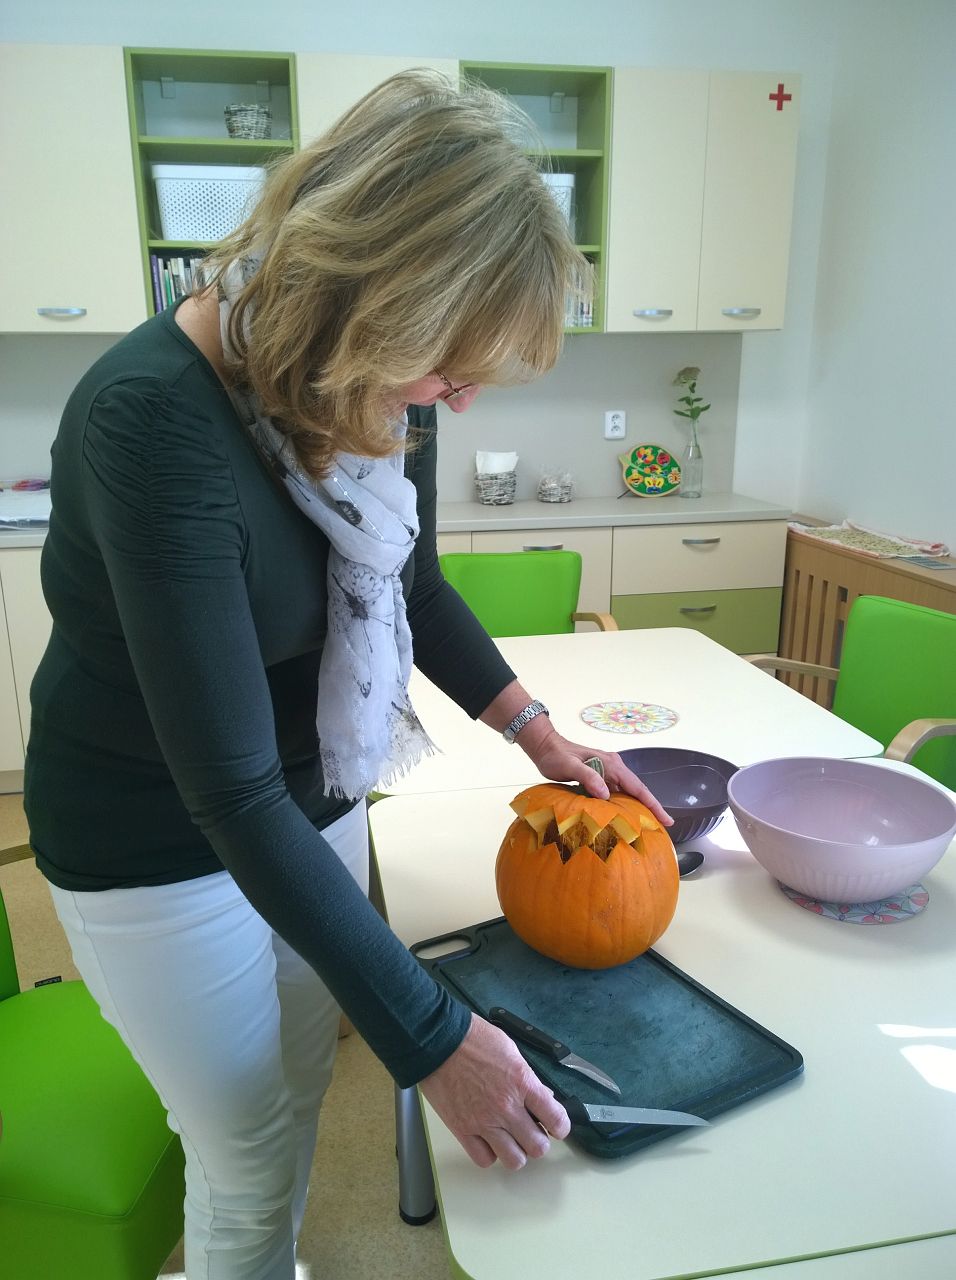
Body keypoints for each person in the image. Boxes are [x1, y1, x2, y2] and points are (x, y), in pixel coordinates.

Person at [25, 70, 671, 1277]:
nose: (456, 398)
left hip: (308, 794)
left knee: (300, 1077)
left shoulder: (367, 387)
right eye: (450, 366)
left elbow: (412, 585)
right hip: (155, 840)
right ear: (369, 299)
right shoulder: (152, 423)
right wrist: (434, 1037)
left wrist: (535, 729)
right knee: (245, 1149)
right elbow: (227, 791)